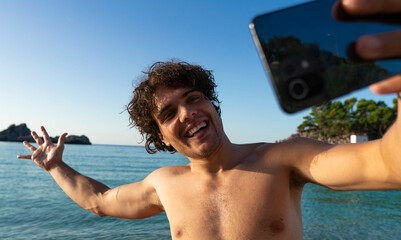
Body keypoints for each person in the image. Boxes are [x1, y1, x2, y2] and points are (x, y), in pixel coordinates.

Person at [17, 0, 401, 239]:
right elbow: (99, 200)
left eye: (194, 98)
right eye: (169, 114)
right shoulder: (163, 185)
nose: (188, 113)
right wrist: (56, 167)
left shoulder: (285, 160)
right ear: (162, 138)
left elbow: (388, 164)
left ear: (213, 106)